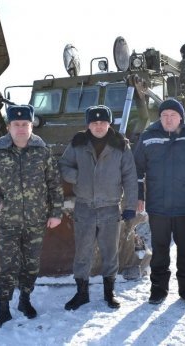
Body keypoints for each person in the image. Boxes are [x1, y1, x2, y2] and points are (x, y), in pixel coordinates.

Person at [0, 104, 64, 333]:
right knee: (7, 265)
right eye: (16, 125)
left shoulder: (42, 151)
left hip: (36, 220)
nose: (21, 129)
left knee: (32, 264)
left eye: (25, 124)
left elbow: (54, 183)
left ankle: (25, 299)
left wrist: (56, 213)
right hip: (8, 221)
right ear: (8, 127)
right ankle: (3, 308)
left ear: (31, 125)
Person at [133, 98, 185, 306]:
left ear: (181, 117)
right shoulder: (148, 137)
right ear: (159, 117)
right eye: (164, 116)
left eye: (173, 116)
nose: (168, 120)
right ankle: (158, 290)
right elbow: (137, 170)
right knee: (160, 250)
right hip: (158, 206)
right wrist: (138, 196)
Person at [59, 105, 138, 311]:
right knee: (82, 252)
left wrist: (130, 205)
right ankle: (81, 293)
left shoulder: (121, 145)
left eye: (103, 122)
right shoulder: (78, 143)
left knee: (110, 252)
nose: (99, 126)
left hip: (110, 208)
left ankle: (109, 293)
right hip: (84, 207)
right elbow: (64, 165)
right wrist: (77, 177)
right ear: (88, 124)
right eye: (94, 122)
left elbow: (130, 177)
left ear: (109, 123)